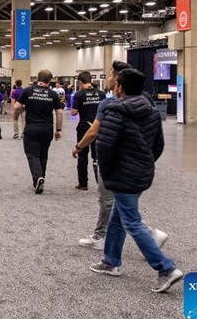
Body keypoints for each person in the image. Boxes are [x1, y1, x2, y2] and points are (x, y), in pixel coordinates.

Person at [91, 68, 183, 293]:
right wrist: (145, 163)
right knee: (117, 217)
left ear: (120, 87)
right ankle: (110, 261)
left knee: (131, 221)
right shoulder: (151, 111)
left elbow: (104, 146)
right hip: (141, 173)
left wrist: (107, 171)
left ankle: (165, 268)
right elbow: (158, 145)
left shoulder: (115, 111)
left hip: (123, 175)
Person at [72, 61, 168, 252]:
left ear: (117, 79)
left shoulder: (111, 104)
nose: (106, 79)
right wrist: (146, 160)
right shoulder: (146, 100)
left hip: (118, 164)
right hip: (139, 165)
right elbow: (158, 141)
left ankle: (147, 242)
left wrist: (79, 147)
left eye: (109, 75)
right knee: (121, 206)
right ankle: (112, 257)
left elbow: (95, 133)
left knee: (109, 201)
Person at [14, 69, 63, 194]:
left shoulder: (28, 91)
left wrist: (24, 108)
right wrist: (58, 130)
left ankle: (37, 178)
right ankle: (40, 180)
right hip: (47, 129)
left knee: (32, 154)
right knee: (43, 155)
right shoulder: (53, 94)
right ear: (49, 81)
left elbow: (17, 106)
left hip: (31, 128)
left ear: (37, 78)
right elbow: (59, 112)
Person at [72, 72, 106, 190]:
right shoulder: (101, 94)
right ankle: (100, 182)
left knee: (82, 154)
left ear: (80, 82)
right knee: (97, 156)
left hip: (84, 127)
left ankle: (83, 183)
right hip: (99, 126)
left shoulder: (79, 95)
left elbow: (74, 112)